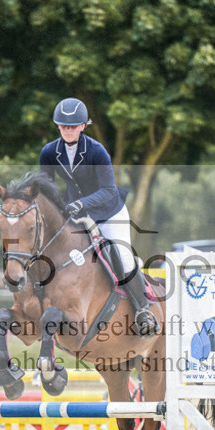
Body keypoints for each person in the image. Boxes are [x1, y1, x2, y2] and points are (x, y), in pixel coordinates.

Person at [38, 97, 158, 337]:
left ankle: (142, 310)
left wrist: (81, 204)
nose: (68, 130)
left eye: (73, 126)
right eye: (63, 126)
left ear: (83, 126)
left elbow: (109, 190)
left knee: (122, 256)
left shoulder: (96, 150)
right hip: (75, 213)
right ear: (57, 126)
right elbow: (46, 187)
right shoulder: (49, 152)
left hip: (108, 211)